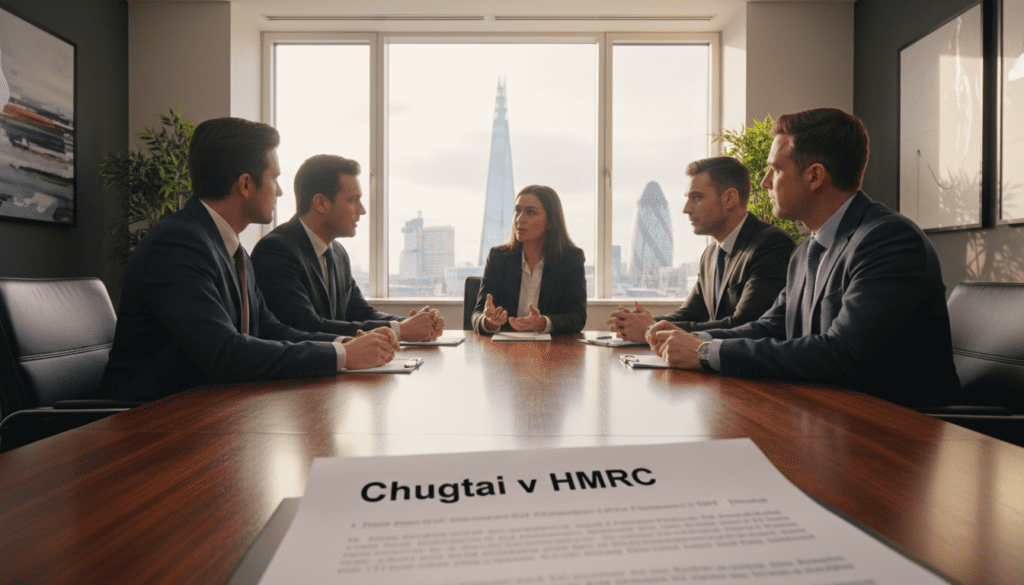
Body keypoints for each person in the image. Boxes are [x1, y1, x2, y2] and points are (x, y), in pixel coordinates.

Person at [647, 108, 960, 407]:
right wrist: (692, 339)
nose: (764, 182)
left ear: (814, 176)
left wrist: (706, 352)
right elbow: (769, 327)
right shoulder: (805, 251)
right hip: (825, 412)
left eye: (776, 170)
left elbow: (842, 353)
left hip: (894, 426)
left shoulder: (888, 240)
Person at [100, 118, 399, 402]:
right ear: (245, 185)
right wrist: (344, 356)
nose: (280, 191)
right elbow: (225, 353)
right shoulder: (176, 245)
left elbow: (270, 329)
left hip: (211, 408)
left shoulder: (231, 248)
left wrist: (344, 345)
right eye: (274, 179)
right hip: (150, 420)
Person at [251, 154, 443, 341]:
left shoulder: (338, 253)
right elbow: (307, 326)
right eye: (353, 200)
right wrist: (401, 330)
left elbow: (361, 312)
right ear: (321, 203)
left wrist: (413, 324)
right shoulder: (275, 251)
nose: (362, 210)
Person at [607, 157, 794, 342]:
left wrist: (650, 329)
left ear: (729, 198)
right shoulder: (710, 254)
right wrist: (641, 324)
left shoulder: (772, 245)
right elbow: (691, 313)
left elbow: (745, 325)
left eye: (696, 198)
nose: (686, 209)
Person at [472, 185, 587, 335]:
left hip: (551, 348)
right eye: (517, 211)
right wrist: (489, 322)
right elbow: (478, 314)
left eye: (531, 212)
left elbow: (578, 317)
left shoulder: (571, 258)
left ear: (550, 221)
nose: (520, 219)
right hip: (505, 347)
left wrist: (543, 323)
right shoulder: (498, 257)